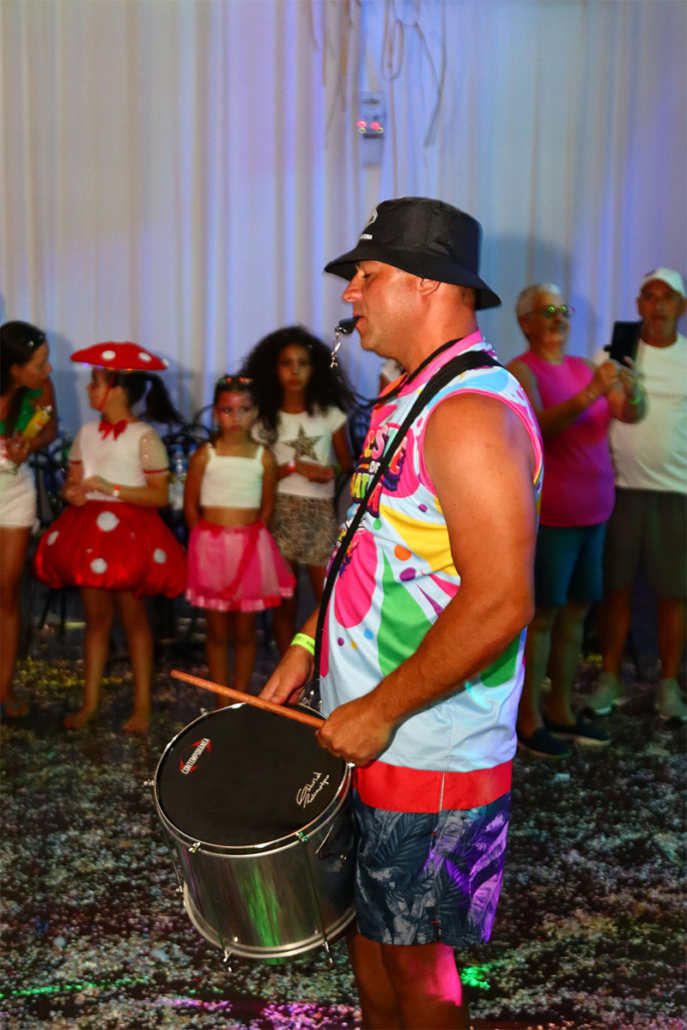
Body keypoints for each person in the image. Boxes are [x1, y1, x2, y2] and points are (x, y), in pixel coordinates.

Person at [260, 197, 543, 1030]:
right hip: (371, 729)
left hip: (430, 745)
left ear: (427, 284)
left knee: (418, 963)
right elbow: (370, 547)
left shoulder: (468, 416)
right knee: (370, 936)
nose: (349, 293)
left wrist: (380, 709)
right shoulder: (406, 397)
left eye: (366, 274)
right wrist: (309, 642)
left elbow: (500, 603)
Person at [507, 284, 644, 757]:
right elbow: (537, 428)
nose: (559, 316)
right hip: (554, 517)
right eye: (547, 309)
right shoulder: (520, 371)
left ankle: (561, 711)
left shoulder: (585, 366)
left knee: (577, 614)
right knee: (543, 617)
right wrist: (591, 393)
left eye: (563, 308)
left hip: (596, 512)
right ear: (525, 322)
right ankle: (528, 719)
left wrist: (633, 389)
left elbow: (628, 413)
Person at [33, 342, 187, 732]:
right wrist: (72, 493)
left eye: (96, 381)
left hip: (128, 536)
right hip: (90, 533)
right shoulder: (86, 433)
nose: (89, 388)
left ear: (117, 390)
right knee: (96, 620)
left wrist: (111, 488)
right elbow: (73, 483)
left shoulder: (144, 436)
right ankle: (90, 704)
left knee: (134, 619)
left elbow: (159, 495)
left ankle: (142, 706)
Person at [587, 268, 687, 722]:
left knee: (673, 595)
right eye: (649, 296)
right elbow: (598, 413)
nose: (658, 305)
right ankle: (610, 677)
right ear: (639, 304)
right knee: (616, 589)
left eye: (667, 297)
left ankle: (668, 685)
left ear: (681, 307)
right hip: (619, 489)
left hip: (675, 493)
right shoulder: (615, 354)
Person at [240, 326, 353, 654]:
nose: (295, 372)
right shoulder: (264, 419)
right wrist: (292, 467)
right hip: (280, 513)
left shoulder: (329, 414)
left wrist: (327, 471)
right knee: (285, 604)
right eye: (286, 364)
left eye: (302, 363)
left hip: (320, 513)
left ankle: (325, 668)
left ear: (314, 369)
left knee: (327, 600)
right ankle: (286, 664)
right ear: (274, 369)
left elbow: (345, 463)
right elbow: (255, 474)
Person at [183, 375, 295, 702]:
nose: (236, 418)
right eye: (228, 410)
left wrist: (249, 542)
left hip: (250, 550)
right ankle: (222, 699)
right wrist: (203, 544)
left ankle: (240, 698)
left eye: (244, 410)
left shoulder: (264, 458)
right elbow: (190, 506)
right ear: (216, 413)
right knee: (217, 630)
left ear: (255, 412)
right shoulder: (205, 455)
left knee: (246, 630)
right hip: (210, 549)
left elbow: (266, 508)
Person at [0, 321, 57, 719]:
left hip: (15, 490)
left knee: (7, 589)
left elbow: (50, 428)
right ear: (14, 368)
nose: (47, 369)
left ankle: (3, 689)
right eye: (40, 363)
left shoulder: (40, 389)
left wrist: (31, 443)